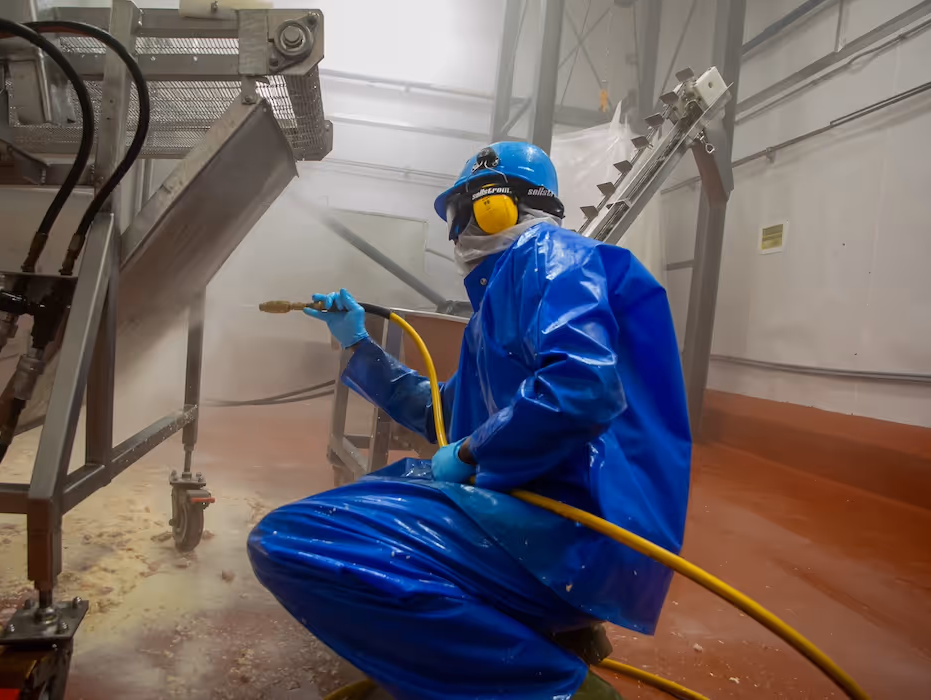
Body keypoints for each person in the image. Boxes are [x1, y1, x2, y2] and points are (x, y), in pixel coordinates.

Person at [248, 141, 692, 700]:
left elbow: (580, 387)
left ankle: (561, 689)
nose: (454, 234)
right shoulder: (506, 294)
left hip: (574, 529)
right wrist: (358, 345)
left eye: (455, 213)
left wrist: (468, 454)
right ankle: (541, 642)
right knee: (377, 495)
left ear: (490, 206)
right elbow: (444, 413)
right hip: (542, 513)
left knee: (293, 539)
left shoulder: (546, 257)